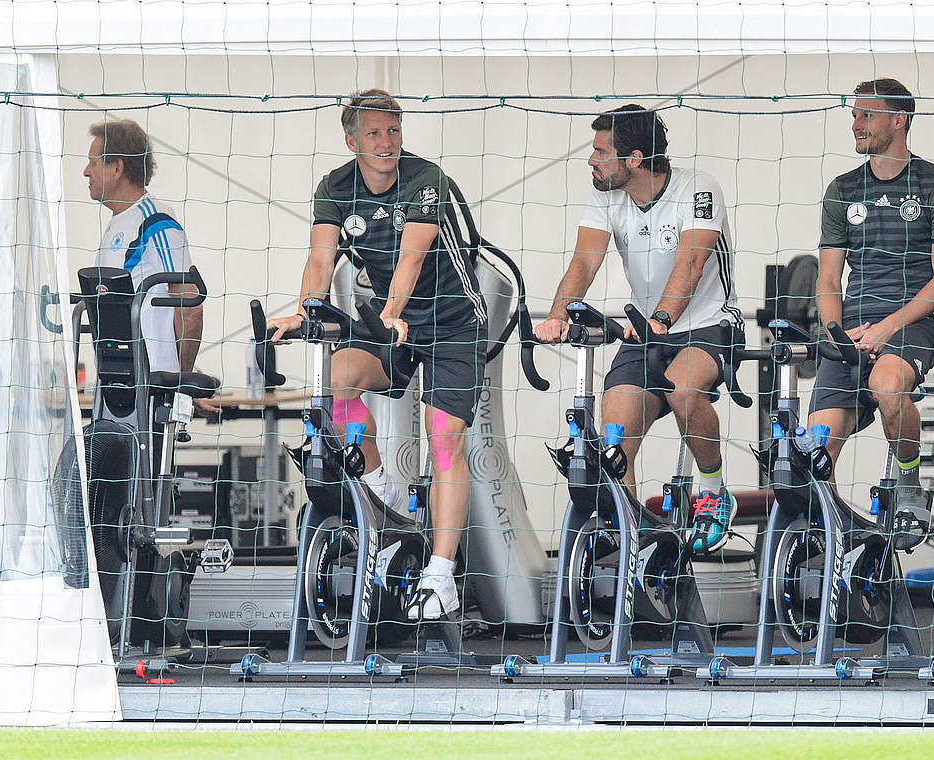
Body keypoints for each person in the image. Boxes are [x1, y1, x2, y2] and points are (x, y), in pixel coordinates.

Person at [266, 89, 487, 620]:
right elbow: (321, 256)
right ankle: (383, 492)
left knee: (444, 437)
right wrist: (308, 311)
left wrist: (391, 311)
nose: (386, 143)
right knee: (334, 384)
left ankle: (440, 574)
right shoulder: (335, 187)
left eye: (393, 131)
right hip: (393, 323)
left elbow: (411, 257)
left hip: (452, 321)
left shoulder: (424, 178)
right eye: (373, 134)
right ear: (352, 141)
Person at [534, 105, 742, 553]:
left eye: (599, 151)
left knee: (683, 391)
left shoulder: (698, 188)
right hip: (644, 331)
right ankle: (629, 533)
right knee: (615, 427)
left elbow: (692, 260)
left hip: (708, 323)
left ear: (633, 159)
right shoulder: (605, 195)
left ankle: (712, 489)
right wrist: (557, 315)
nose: (591, 160)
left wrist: (662, 319)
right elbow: (585, 261)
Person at [810, 78, 934, 540]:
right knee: (815, 448)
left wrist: (884, 329)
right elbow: (826, 280)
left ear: (898, 120)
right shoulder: (842, 188)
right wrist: (838, 332)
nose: (855, 123)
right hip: (852, 332)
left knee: (886, 385)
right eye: (854, 114)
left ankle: (911, 484)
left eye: (866, 114)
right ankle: (830, 542)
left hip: (912, 321)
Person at [82, 118, 218, 417]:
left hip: (152, 392)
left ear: (117, 168)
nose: (86, 171)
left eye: (93, 162)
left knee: (148, 465)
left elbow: (190, 306)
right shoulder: (118, 222)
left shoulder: (155, 220)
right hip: (116, 382)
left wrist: (180, 382)